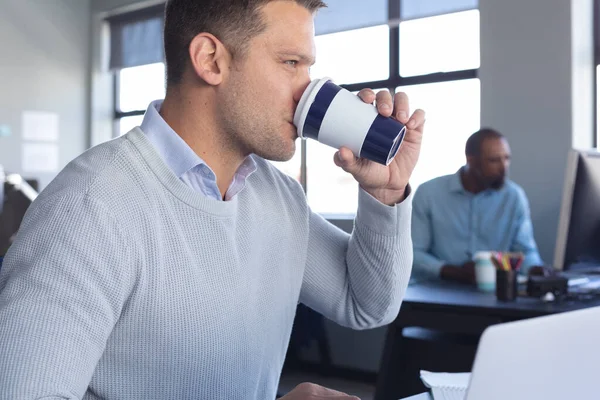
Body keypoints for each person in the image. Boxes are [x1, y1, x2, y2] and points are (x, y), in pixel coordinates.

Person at [0, 1, 426, 399]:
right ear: (210, 60)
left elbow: (365, 304)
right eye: (290, 63)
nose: (307, 91)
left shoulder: (279, 198)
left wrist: (383, 194)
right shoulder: (90, 206)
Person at [412, 128, 542, 284]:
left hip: (494, 293)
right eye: (494, 160)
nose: (504, 167)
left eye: (507, 158)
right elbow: (414, 253)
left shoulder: (514, 196)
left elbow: (525, 251)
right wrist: (453, 271)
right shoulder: (429, 193)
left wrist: (534, 269)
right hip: (437, 292)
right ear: (471, 160)